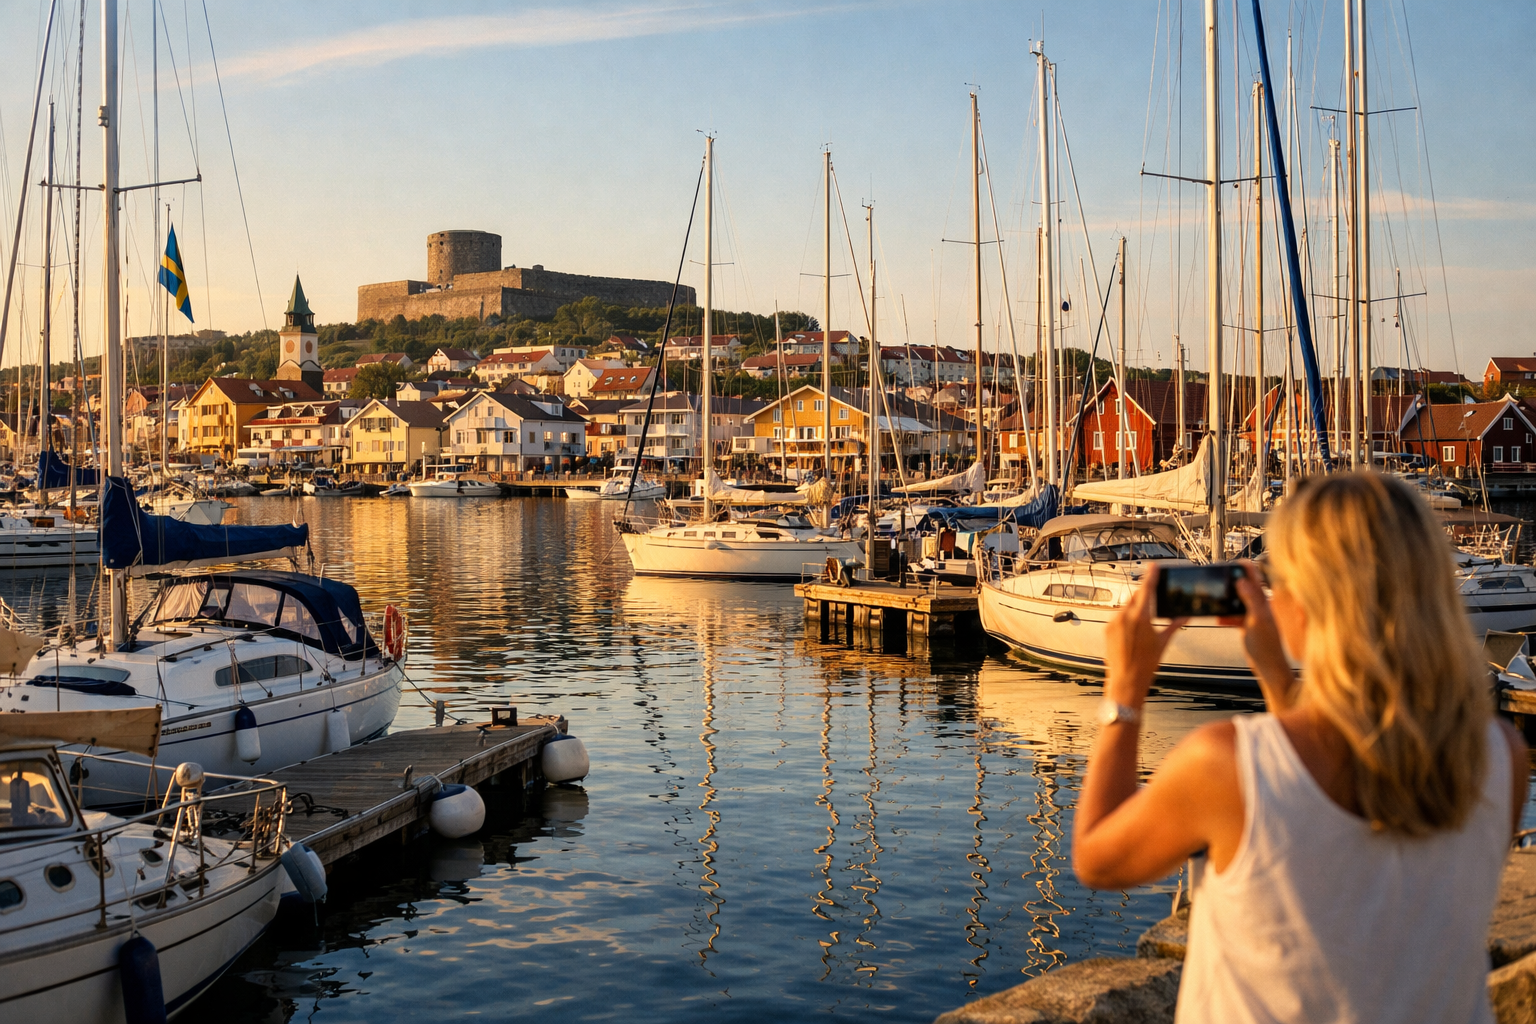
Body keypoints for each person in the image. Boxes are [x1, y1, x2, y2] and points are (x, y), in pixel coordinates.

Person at [1073, 471, 1527, 1023]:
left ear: (1302, 606)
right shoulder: (1501, 756)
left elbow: (1098, 858)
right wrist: (1273, 675)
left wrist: (1125, 690)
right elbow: (1358, 841)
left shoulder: (1227, 764)